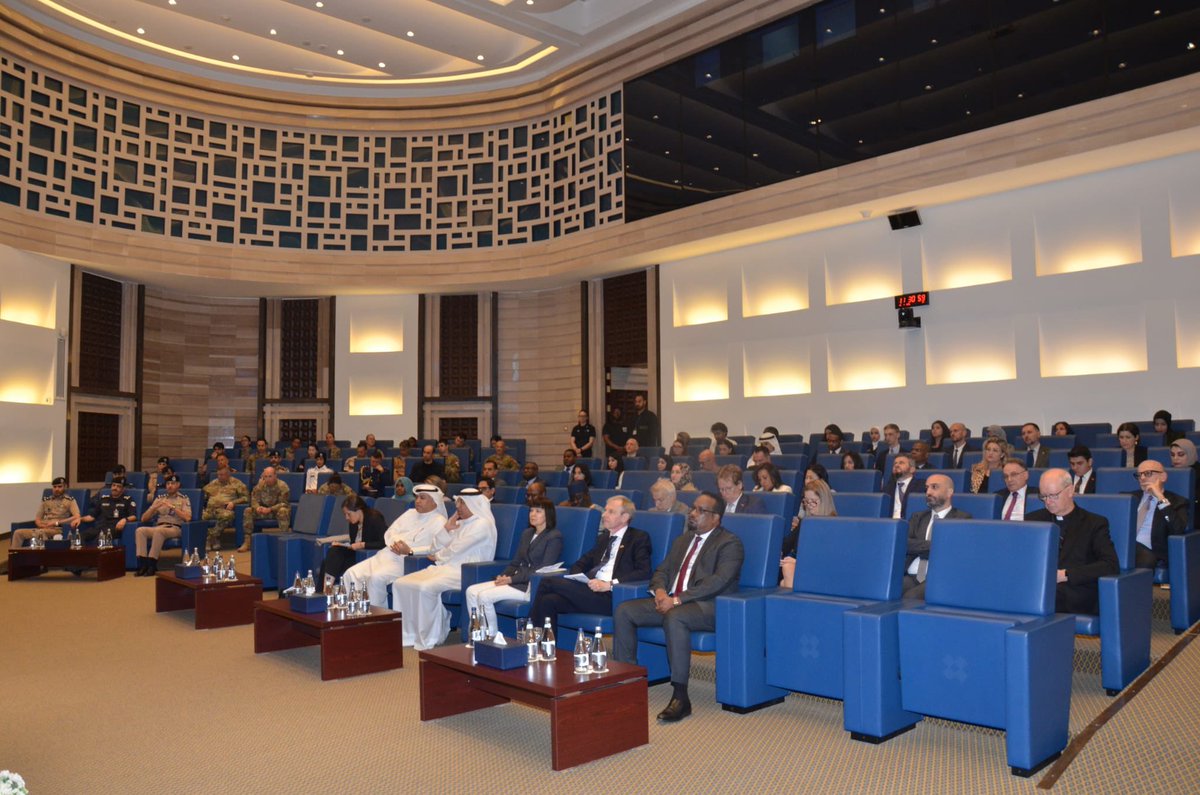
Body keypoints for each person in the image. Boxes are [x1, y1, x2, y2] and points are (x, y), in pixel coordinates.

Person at [613, 491, 744, 723]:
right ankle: (627, 683)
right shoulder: (683, 540)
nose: (692, 514)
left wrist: (676, 600)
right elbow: (662, 571)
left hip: (709, 607)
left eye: (700, 511)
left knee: (675, 616)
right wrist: (661, 592)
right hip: (673, 601)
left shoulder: (730, 543)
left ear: (716, 518)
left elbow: (719, 582)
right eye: (693, 508)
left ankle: (680, 696)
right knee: (625, 610)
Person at [392, 488, 498, 650]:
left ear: (474, 504)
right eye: (458, 502)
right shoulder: (460, 523)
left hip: (465, 571)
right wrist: (447, 528)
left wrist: (439, 556)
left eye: (462, 502)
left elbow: (456, 548)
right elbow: (436, 546)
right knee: (401, 583)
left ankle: (431, 636)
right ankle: (409, 634)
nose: (458, 506)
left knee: (425, 587)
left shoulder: (483, 524)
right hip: (446, 568)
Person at [530, 496, 652, 636]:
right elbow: (580, 563)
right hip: (589, 590)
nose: (604, 515)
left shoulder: (638, 538)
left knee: (547, 581)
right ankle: (547, 650)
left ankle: (532, 635)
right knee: (548, 601)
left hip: (610, 596)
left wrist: (610, 584)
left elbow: (644, 572)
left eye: (611, 512)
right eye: (605, 511)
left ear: (625, 517)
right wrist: (579, 578)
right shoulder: (603, 539)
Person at [1025, 469, 1119, 614]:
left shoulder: (1094, 523)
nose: (1048, 502)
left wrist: (1066, 574)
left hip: (1075, 589)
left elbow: (1110, 565)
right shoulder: (1032, 520)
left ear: (1070, 491)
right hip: (1037, 584)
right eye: (1043, 496)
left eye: (1053, 496)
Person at [465, 498, 563, 635]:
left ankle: (491, 636)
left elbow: (542, 569)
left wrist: (511, 579)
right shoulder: (527, 533)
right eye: (531, 510)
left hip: (529, 586)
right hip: (514, 580)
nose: (532, 514)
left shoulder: (554, 536)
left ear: (548, 514)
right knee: (471, 591)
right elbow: (516, 562)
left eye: (538, 511)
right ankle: (477, 632)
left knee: (484, 596)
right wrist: (504, 576)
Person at [343, 484, 449, 607]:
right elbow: (390, 531)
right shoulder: (410, 513)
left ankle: (376, 621)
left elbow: (436, 548)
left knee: (376, 578)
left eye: (422, 498)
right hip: (387, 554)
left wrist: (410, 551)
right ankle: (354, 615)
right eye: (417, 497)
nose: (418, 501)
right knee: (350, 574)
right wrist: (396, 543)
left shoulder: (439, 522)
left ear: (434, 502)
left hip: (407, 561)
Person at [902, 474, 972, 599]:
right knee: (888, 589)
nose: (928, 492)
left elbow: (951, 551)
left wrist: (920, 547)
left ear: (949, 492)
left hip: (939, 577)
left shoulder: (962, 519)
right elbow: (905, 544)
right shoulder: (917, 517)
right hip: (912, 574)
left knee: (910, 597)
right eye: (927, 488)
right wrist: (933, 545)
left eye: (934, 487)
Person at [1131, 460, 1190, 568]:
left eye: (1148, 473)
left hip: (1151, 552)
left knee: (1144, 558)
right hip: (1124, 545)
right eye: (1139, 475)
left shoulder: (1178, 502)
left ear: (1163, 477)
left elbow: (1178, 529)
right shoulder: (1128, 497)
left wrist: (1160, 498)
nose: (1142, 478)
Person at [317, 495, 386, 587]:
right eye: (345, 514)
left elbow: (384, 542)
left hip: (368, 556)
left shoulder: (375, 518)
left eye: (348, 514)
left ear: (359, 510)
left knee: (329, 563)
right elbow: (353, 543)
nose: (346, 517)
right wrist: (341, 545)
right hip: (356, 554)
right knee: (332, 553)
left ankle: (325, 592)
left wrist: (362, 545)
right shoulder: (353, 523)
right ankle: (325, 591)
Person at [780, 479, 836, 588]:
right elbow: (786, 544)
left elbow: (827, 558)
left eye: (813, 501)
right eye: (806, 501)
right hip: (800, 568)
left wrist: (798, 562)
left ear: (824, 500)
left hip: (820, 570)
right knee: (786, 570)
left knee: (787, 572)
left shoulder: (834, 524)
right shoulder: (805, 522)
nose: (809, 505)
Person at [135, 474, 192, 576]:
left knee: (159, 531)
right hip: (159, 526)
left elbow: (188, 518)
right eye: (168, 483)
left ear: (178, 485)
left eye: (173, 483)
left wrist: (173, 507)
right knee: (140, 530)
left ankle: (152, 564)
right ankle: (143, 565)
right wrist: (153, 508)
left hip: (175, 528)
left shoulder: (183, 499)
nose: (170, 486)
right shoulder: (160, 498)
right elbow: (144, 518)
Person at [13, 477, 82, 548]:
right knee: (18, 532)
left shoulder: (70, 501)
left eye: (59, 487)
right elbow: (37, 519)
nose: (57, 489)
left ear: (65, 487)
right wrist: (42, 525)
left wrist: (57, 523)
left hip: (57, 529)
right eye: (54, 487)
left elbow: (77, 516)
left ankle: (44, 557)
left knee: (41, 533)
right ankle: (15, 556)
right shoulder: (46, 500)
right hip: (43, 528)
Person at [240, 466, 291, 552]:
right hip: (263, 511)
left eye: (270, 476)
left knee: (283, 511)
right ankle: (247, 541)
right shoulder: (260, 486)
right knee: (248, 510)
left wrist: (270, 509)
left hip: (276, 511)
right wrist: (257, 508)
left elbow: (284, 503)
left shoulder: (282, 486)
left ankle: (283, 540)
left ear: (275, 476)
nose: (267, 479)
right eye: (265, 477)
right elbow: (254, 500)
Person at [202, 465, 250, 550]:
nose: (219, 477)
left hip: (223, 510)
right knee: (199, 516)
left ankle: (209, 537)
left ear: (228, 474)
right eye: (218, 475)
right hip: (210, 510)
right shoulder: (213, 483)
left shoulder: (236, 483)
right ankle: (214, 539)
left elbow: (246, 498)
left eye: (222, 475)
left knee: (227, 516)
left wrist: (233, 503)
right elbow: (202, 495)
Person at [81, 477, 137, 545]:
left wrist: (125, 519)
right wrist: (80, 519)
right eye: (113, 485)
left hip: (114, 529)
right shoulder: (104, 499)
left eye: (118, 486)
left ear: (123, 489)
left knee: (100, 538)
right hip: (101, 527)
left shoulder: (127, 500)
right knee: (81, 536)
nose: (115, 488)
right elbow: (92, 517)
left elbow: (134, 516)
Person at [882, 453, 925, 519]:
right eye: (895, 463)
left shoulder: (922, 486)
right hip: (890, 523)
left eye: (901, 463)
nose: (896, 465)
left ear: (912, 469)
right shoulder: (887, 488)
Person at [1168, 439, 1200, 516]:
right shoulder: (1168, 472)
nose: (1175, 458)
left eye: (1181, 454)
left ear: (1190, 454)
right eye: (1172, 455)